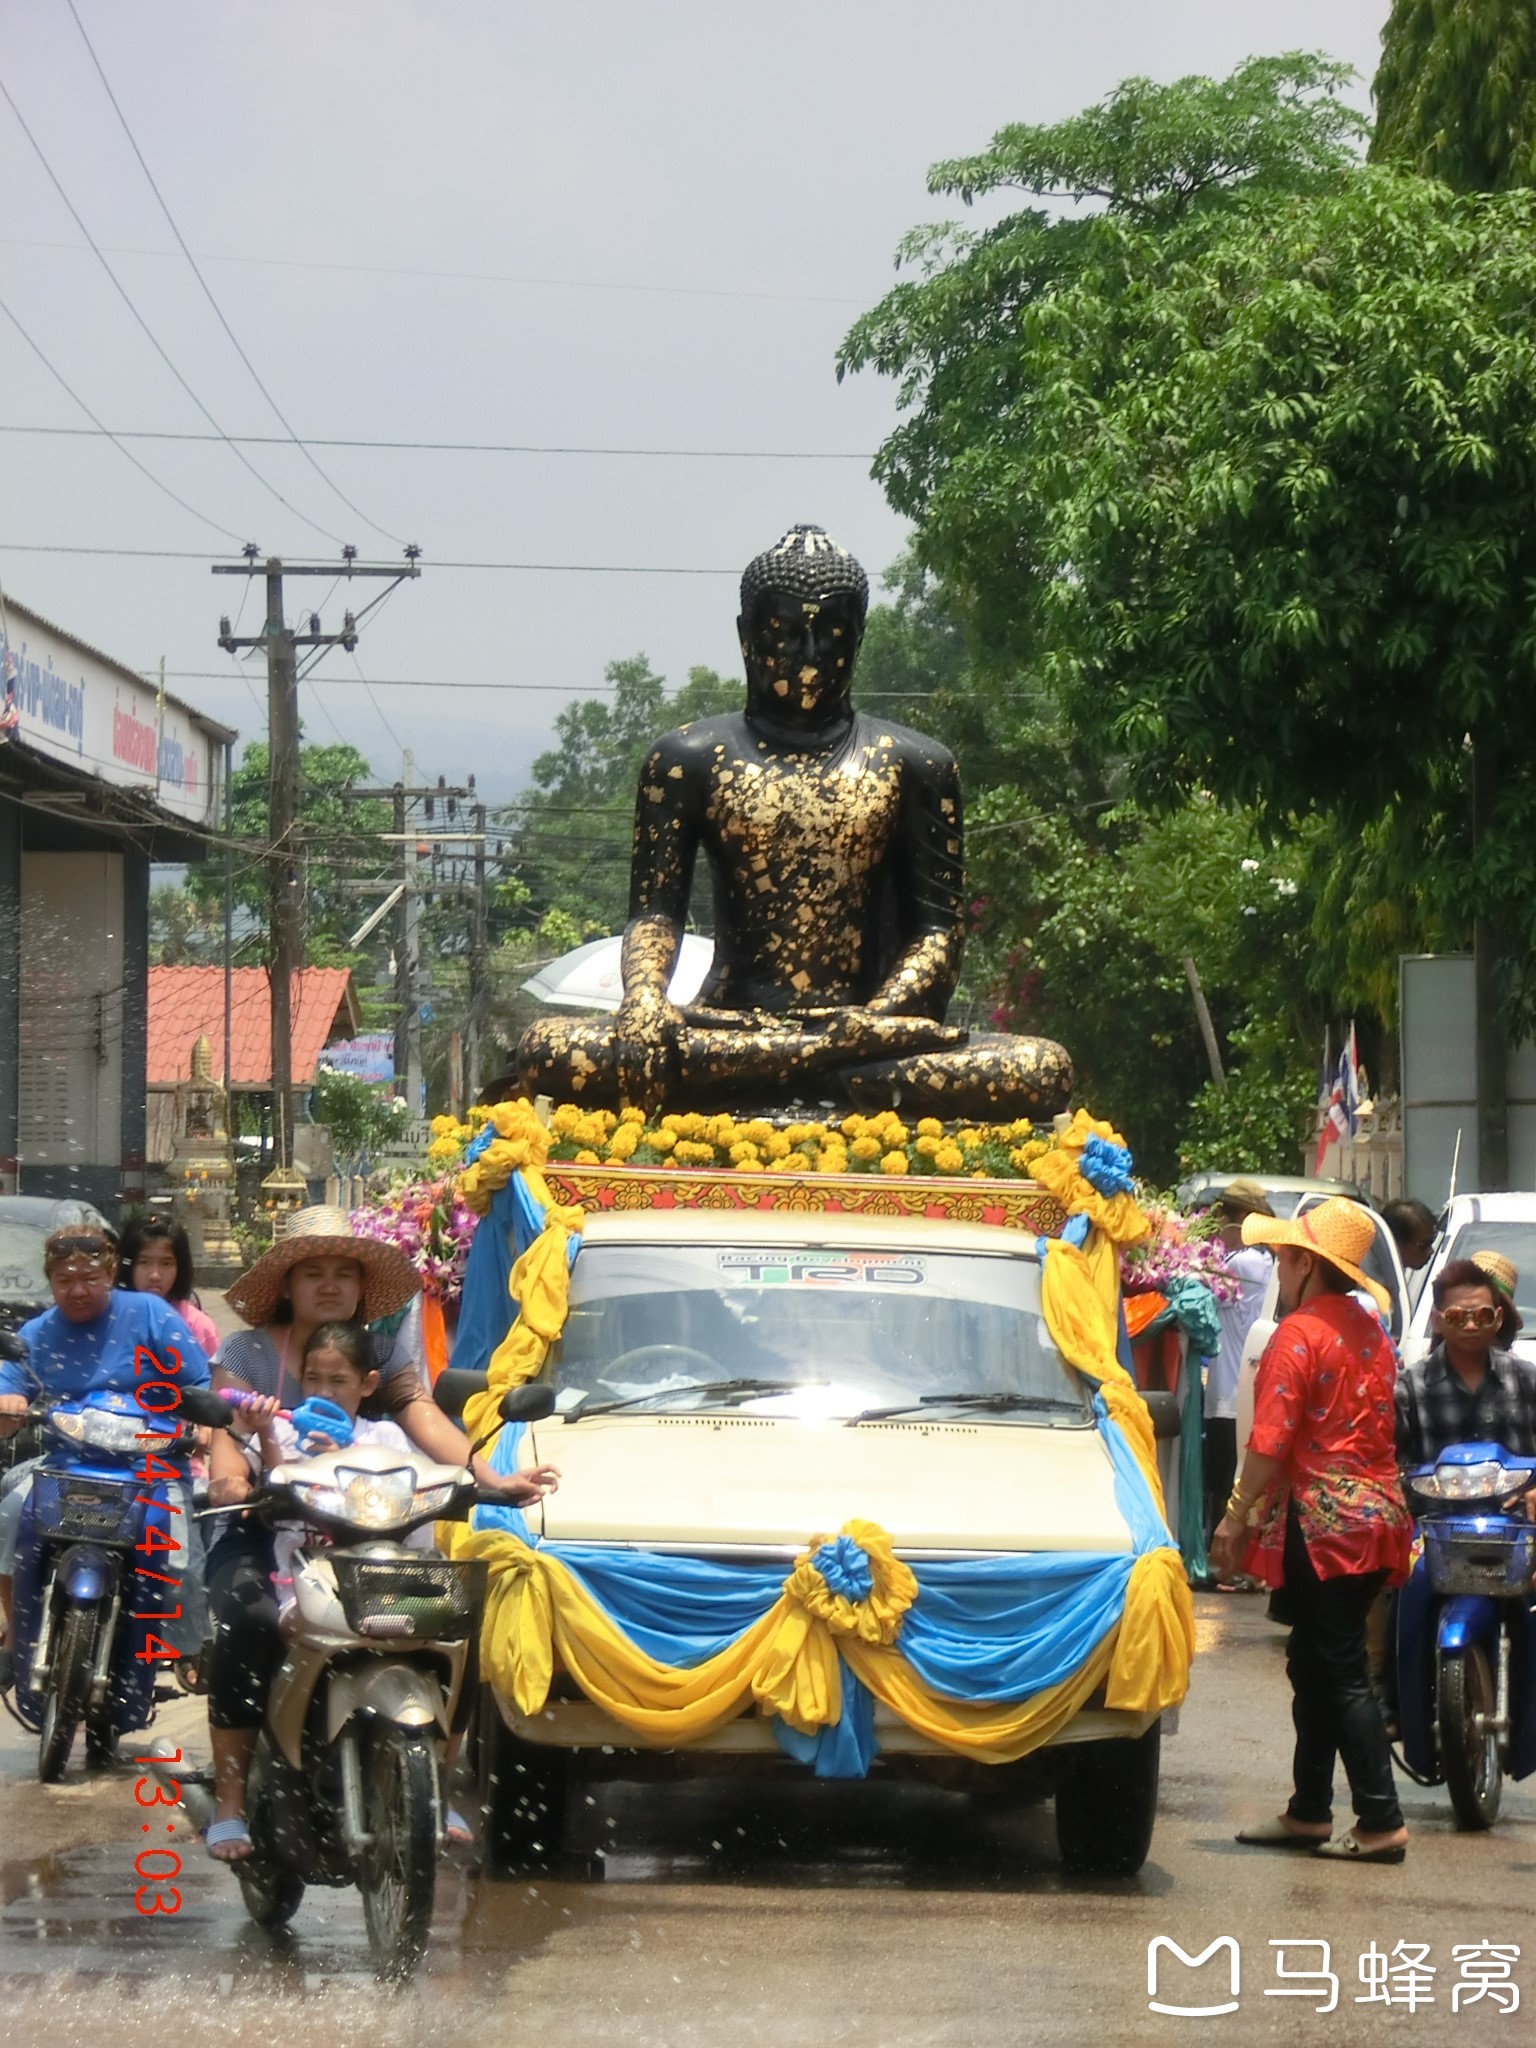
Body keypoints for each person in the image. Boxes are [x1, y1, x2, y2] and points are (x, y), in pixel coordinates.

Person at [512, 522, 1072, 1121]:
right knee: (549, 1049)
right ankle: (807, 1063)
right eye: (787, 634)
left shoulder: (915, 764)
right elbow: (654, 914)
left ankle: (781, 1070)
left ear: (857, 640)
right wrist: (647, 997)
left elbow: (938, 935)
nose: (810, 658)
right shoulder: (688, 758)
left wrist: (873, 1020)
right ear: (746, 637)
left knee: (1040, 1068)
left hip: (867, 1034)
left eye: (831, 635)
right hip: (727, 1026)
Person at [202, 1206, 557, 1863]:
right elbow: (226, 1430)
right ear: (287, 1282)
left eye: (344, 1272)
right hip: (263, 1527)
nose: (330, 1284)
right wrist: (231, 1482)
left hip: (362, 1526)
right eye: (314, 1272)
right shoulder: (247, 1352)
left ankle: (439, 1783)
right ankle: (229, 1802)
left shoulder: (381, 1353)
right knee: (247, 1619)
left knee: (454, 1624)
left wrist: (489, 1476)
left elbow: (427, 1423)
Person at [1212, 1198, 1412, 1863]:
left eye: (1281, 1258)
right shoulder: (1366, 1329)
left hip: (1326, 1522)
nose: (1274, 1267)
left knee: (1337, 1666)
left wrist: (1234, 1516)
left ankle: (1380, 1820)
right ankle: (1309, 1810)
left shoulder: (1298, 1334)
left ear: (1304, 1264)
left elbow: (1269, 1441)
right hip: (1376, 1513)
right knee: (1318, 1661)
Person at [0, 1225, 210, 1668]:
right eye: (64, 1281)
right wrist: (9, 1402)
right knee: (9, 1518)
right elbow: (10, 1380)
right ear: (50, 1280)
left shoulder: (150, 1314)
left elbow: (197, 1382)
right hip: (67, 1465)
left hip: (151, 1466)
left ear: (111, 1273)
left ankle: (186, 1654)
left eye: (90, 1279)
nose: (78, 1290)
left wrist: (203, 1419)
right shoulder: (38, 1332)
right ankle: (17, 1636)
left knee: (177, 1557)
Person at [236, 1323, 434, 1631]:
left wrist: (343, 1458)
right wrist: (264, 1431)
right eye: (313, 1379)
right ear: (300, 1378)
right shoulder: (283, 1432)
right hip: (304, 1587)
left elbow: (413, 1496)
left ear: (367, 1384)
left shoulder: (385, 1437)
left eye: (338, 1380)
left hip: (382, 1584)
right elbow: (279, 1485)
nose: (324, 1392)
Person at [1395, 1256, 1536, 1470]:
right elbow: (1393, 1466)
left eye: (1482, 1316)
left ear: (1498, 1320)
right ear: (1437, 1321)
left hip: (1515, 1502)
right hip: (1435, 1503)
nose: (1470, 1326)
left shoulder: (1525, 1377)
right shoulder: (1409, 1388)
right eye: (1457, 1317)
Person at [1199, 1179, 1274, 1573]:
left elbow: (1199, 1291)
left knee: (1224, 1485)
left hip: (1229, 1393)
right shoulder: (1260, 1263)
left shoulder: (1243, 1265)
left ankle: (1227, 1563)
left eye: (1223, 1219)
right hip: (1232, 1391)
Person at [117, 1213, 221, 1357]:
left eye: (166, 1264)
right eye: (144, 1262)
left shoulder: (197, 1327)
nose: (155, 1275)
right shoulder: (110, 1321)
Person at [1381, 1198, 1437, 1276]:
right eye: (1423, 1245)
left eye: (1432, 1241)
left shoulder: (1393, 1275)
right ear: (1396, 1243)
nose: (1431, 1251)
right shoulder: (1375, 1280)